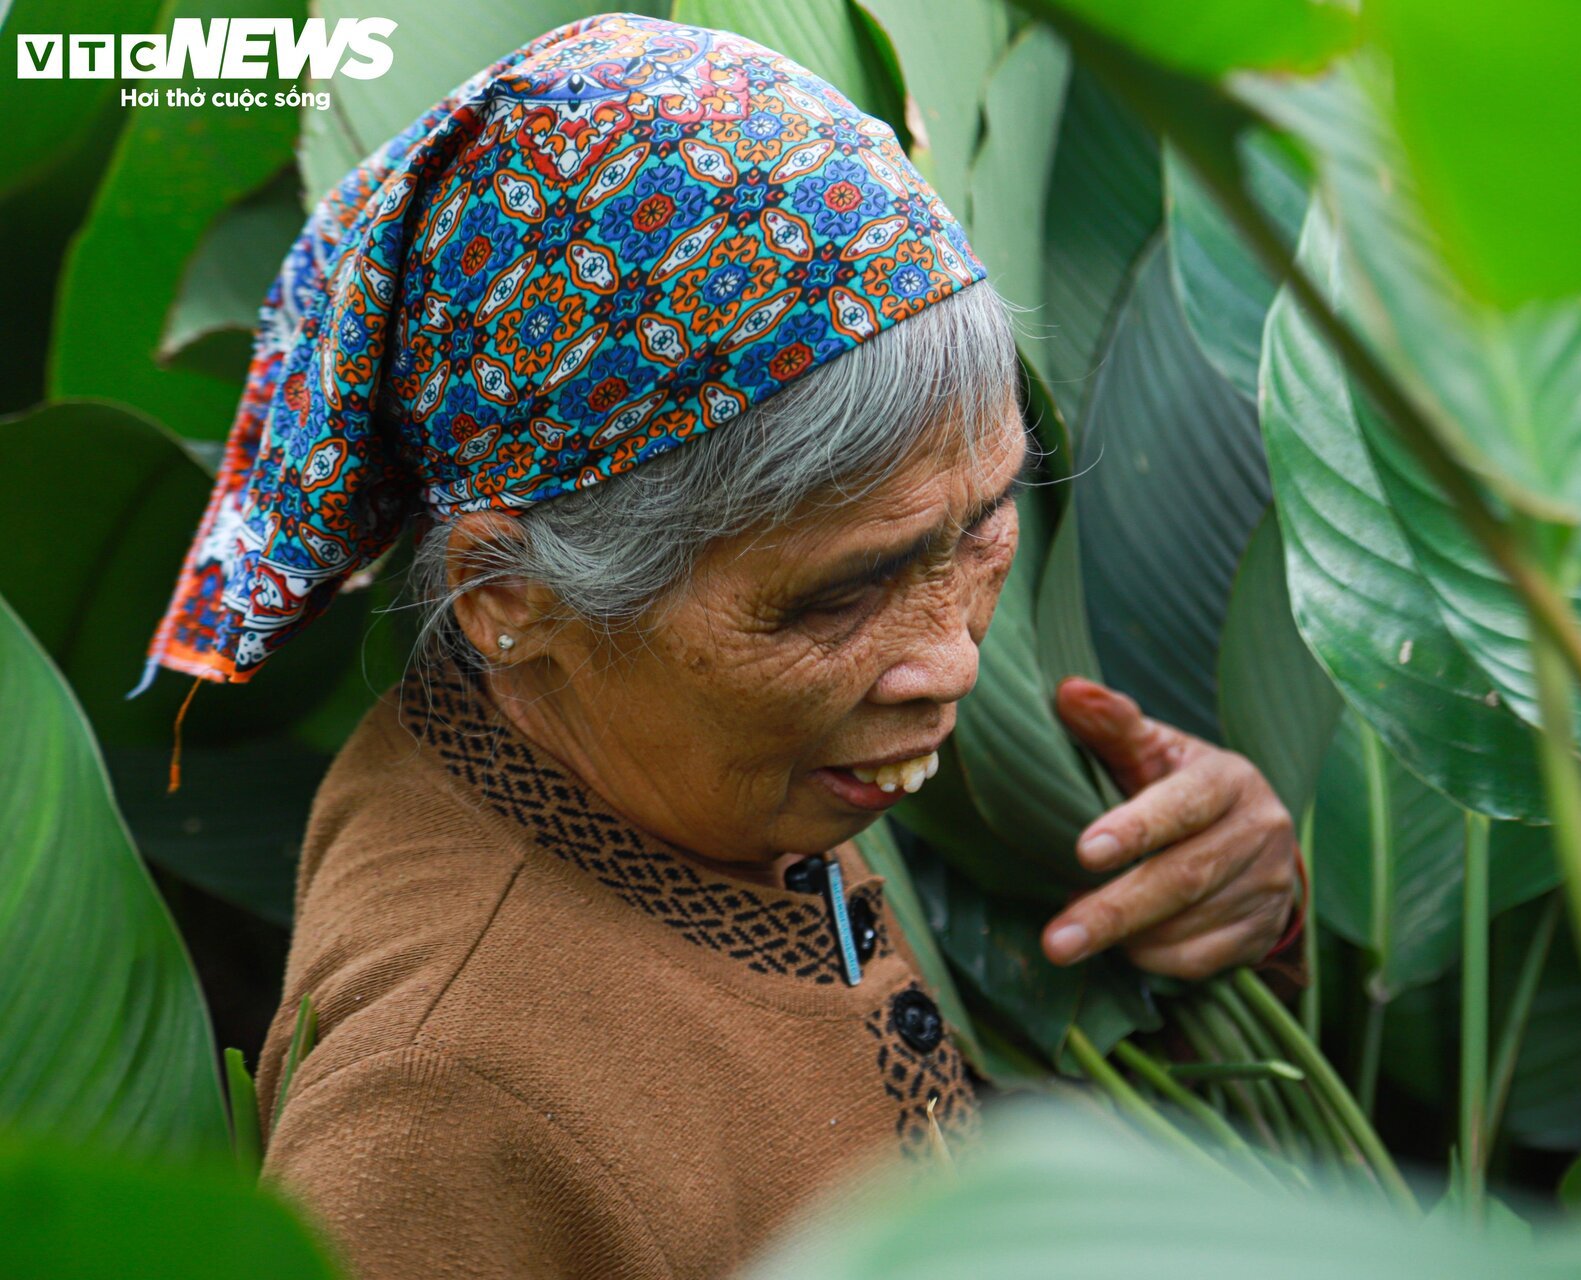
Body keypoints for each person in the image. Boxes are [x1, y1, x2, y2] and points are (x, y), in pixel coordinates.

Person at [141, 14, 1303, 1278]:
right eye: (836, 599)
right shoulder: (451, 1115)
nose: (958, 660)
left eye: (984, 525)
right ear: (503, 591)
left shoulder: (682, 752)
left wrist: (1240, 903)